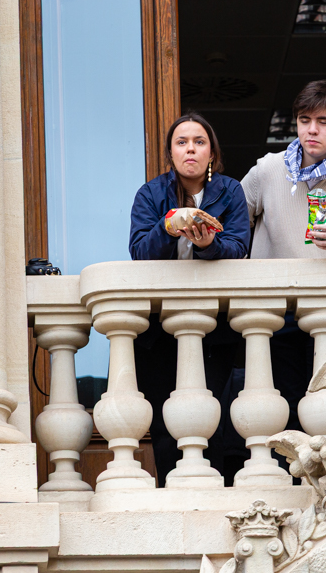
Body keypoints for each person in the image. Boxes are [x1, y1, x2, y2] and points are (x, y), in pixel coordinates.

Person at [242, 79, 326, 432]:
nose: (312, 130)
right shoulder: (268, 170)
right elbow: (231, 226)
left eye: (323, 121)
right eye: (304, 120)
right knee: (282, 414)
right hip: (276, 310)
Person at [128, 113, 251, 486]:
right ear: (171, 153)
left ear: (212, 152)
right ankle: (171, 489)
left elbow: (239, 247)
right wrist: (168, 227)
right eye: (181, 142)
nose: (190, 149)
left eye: (199, 142)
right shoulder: (150, 193)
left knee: (211, 416)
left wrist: (209, 244)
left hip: (215, 326)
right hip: (157, 328)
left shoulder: (231, 191)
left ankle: (210, 490)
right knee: (165, 420)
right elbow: (139, 252)